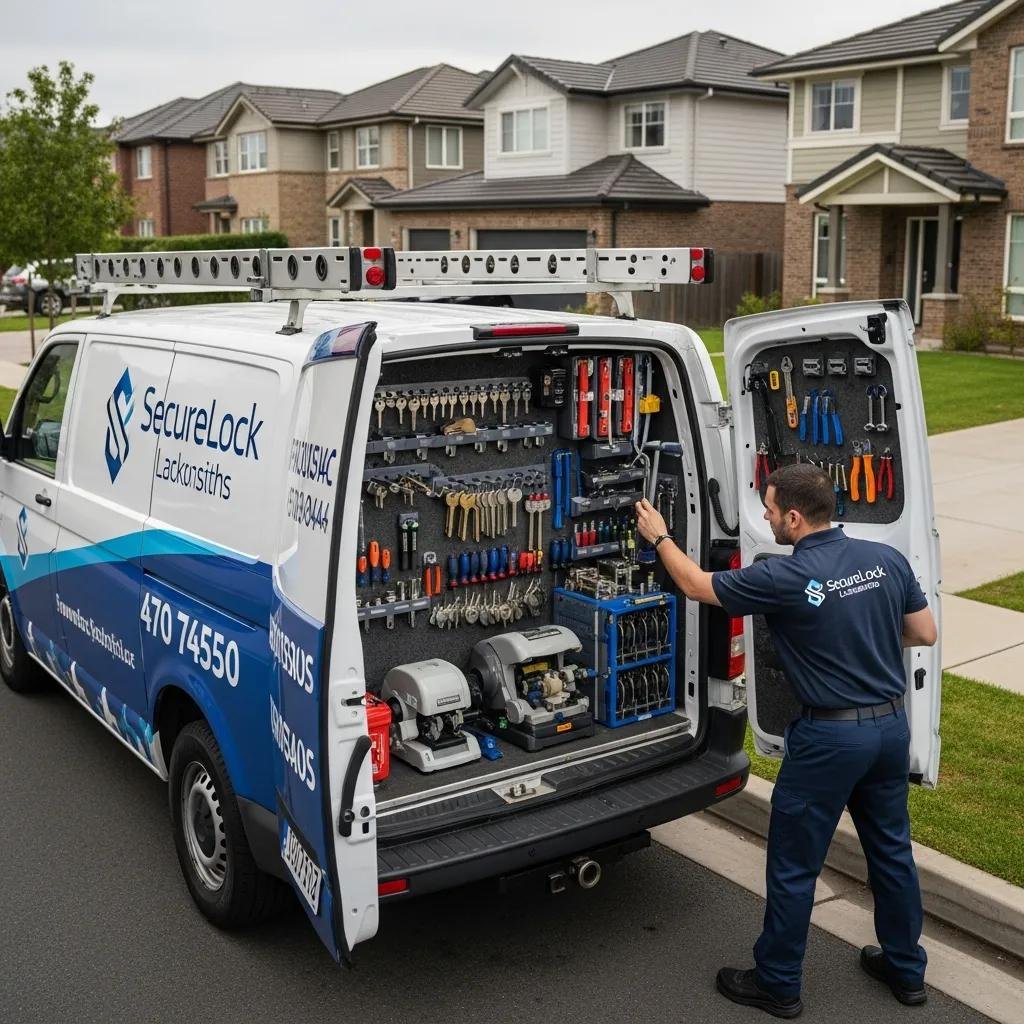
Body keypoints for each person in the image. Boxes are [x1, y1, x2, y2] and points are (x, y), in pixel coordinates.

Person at [635, 463, 938, 1020]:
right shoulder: (885, 559)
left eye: (771, 510)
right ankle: (906, 969)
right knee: (892, 854)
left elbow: (698, 586)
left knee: (796, 866)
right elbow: (924, 632)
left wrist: (660, 537)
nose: (767, 517)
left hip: (830, 739)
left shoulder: (785, 577)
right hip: (889, 729)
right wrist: (859, 629)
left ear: (795, 518)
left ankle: (777, 983)